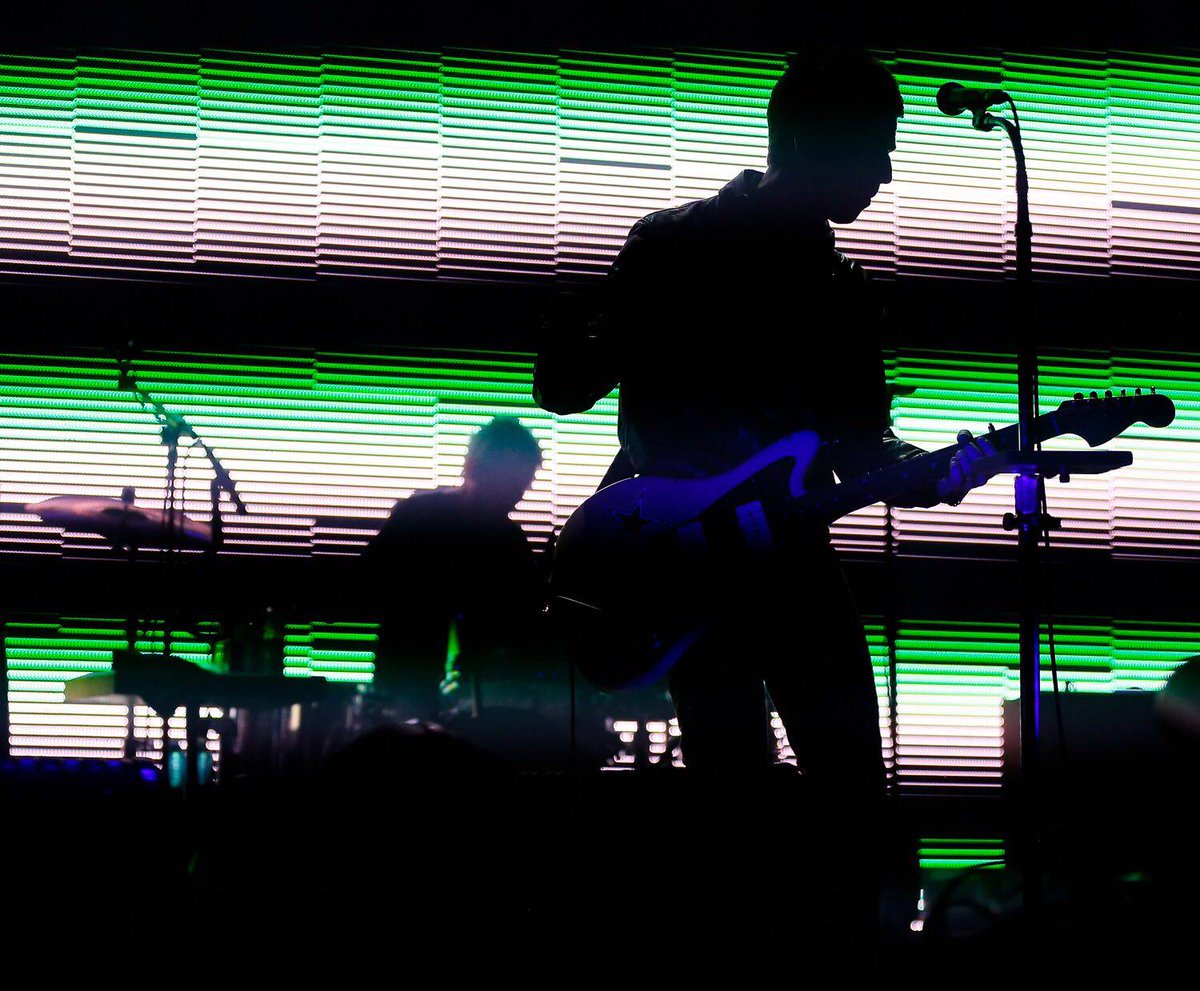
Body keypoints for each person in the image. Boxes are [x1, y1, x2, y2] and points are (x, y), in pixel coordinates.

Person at [534, 48, 996, 788]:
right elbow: (568, 387)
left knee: (846, 787)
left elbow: (859, 445)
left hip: (783, 561)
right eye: (874, 150)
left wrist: (934, 472)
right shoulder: (675, 245)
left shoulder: (843, 294)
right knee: (750, 790)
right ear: (819, 139)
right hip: (685, 564)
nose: (884, 174)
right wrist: (567, 327)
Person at [362, 416, 546, 720]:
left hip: (413, 683)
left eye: (523, 482)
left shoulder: (420, 514)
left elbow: (369, 581)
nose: (519, 492)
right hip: (458, 689)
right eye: (517, 481)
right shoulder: (509, 542)